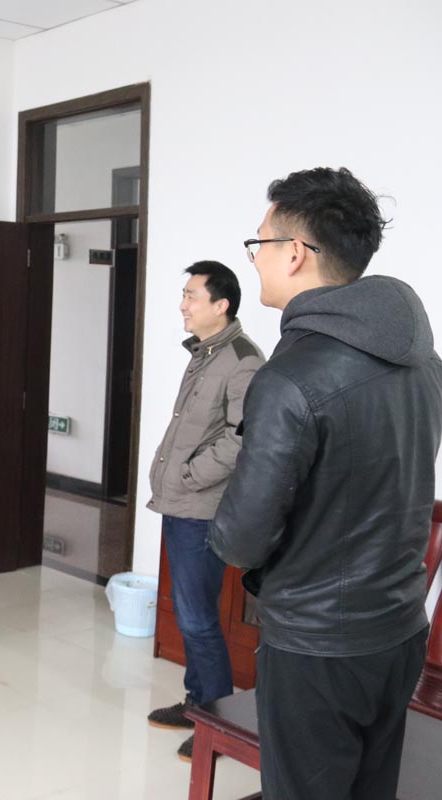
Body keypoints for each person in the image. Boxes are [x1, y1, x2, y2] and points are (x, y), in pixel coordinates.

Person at [210, 167, 442, 799]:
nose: (255, 259)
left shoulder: (291, 378)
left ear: (294, 252)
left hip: (317, 645)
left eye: (258, 244)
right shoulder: (423, 360)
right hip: (399, 627)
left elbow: (242, 539)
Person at [144, 261, 265, 761]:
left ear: (222, 305)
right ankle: (199, 704)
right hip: (182, 502)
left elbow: (243, 438)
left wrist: (190, 477)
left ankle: (218, 725)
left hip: (203, 507)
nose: (183, 305)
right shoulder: (205, 352)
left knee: (197, 617)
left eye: (192, 296)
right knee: (190, 611)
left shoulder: (242, 360)